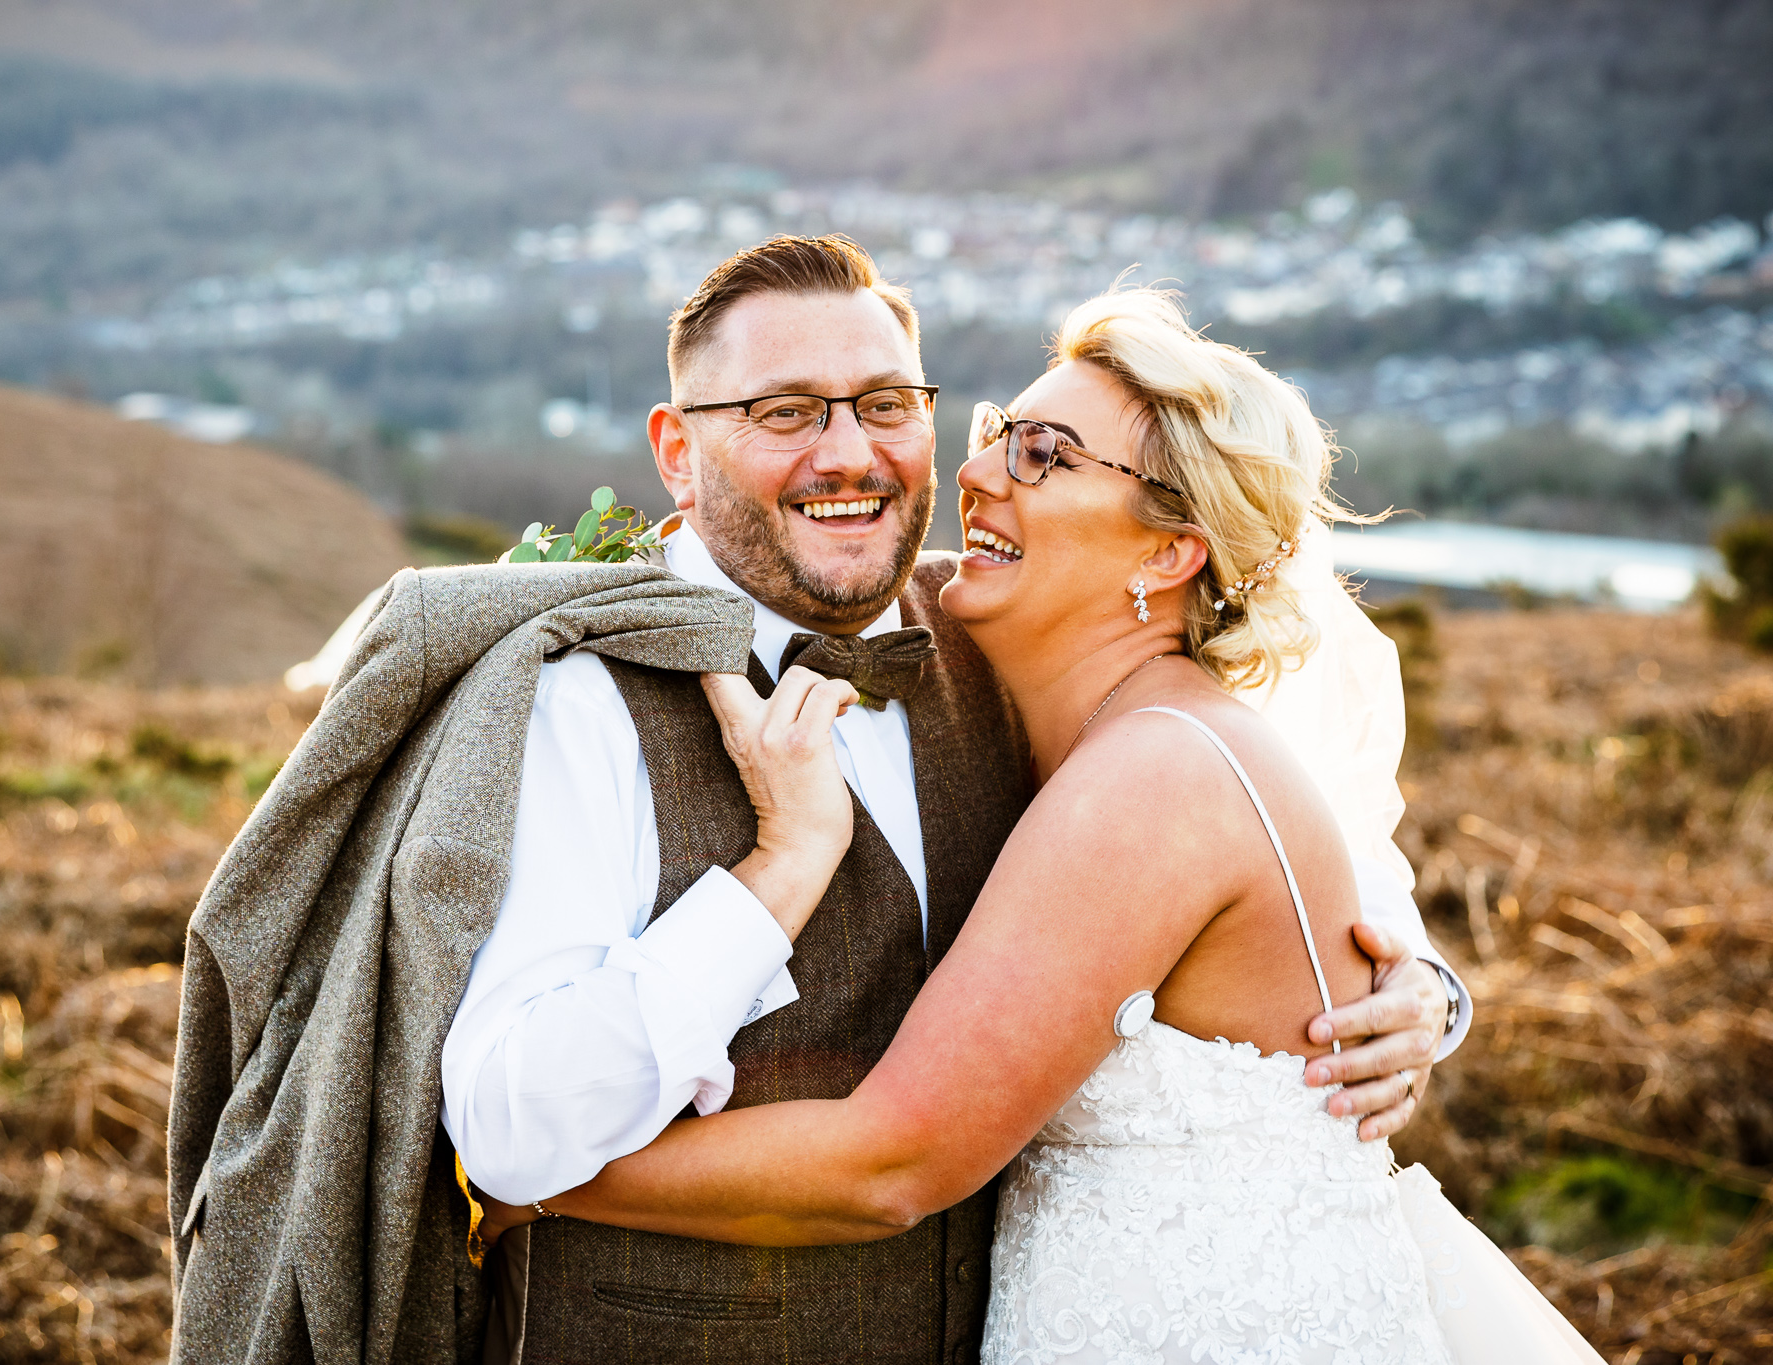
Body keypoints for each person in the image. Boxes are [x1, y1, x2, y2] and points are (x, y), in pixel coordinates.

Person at [444, 239, 1469, 1363]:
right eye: (784, 412)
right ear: (678, 455)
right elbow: (506, 1123)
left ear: (1173, 549)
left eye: (885, 404)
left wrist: (1408, 986)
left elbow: (1272, 829)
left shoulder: (1011, 648)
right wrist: (777, 875)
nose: (852, 454)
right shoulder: (577, 699)